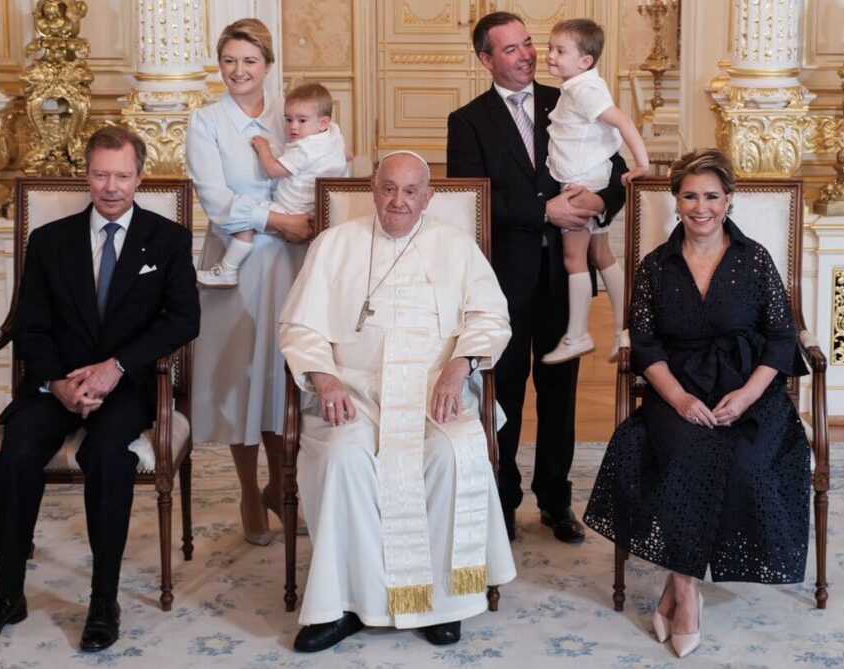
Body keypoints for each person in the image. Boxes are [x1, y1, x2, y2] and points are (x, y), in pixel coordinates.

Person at [0, 126, 200, 651]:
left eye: (121, 175)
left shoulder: (169, 240)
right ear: (85, 176)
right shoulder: (49, 241)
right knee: (16, 452)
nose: (110, 186)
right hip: (56, 384)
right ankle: (7, 594)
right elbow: (30, 324)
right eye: (100, 174)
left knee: (109, 456)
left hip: (125, 387)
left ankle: (103, 599)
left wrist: (115, 367)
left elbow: (183, 321)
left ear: (139, 177)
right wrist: (56, 382)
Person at [279, 152, 516, 652]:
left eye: (411, 191)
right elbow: (300, 325)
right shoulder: (334, 245)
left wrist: (461, 365)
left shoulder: (457, 246)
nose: (398, 201)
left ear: (429, 197)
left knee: (451, 455)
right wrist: (323, 378)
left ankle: (442, 603)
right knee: (344, 457)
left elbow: (492, 317)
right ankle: (341, 604)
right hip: (355, 391)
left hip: (434, 393)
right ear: (373, 188)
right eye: (389, 188)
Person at [583, 148, 811, 659]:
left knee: (749, 463)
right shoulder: (655, 266)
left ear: (729, 200)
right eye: (690, 195)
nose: (700, 206)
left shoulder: (754, 260)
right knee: (685, 456)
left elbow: (780, 336)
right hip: (677, 389)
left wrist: (749, 395)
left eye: (711, 195)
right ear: (676, 200)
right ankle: (687, 591)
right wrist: (681, 399)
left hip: (751, 390)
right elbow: (644, 343)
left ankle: (676, 585)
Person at [446, 11, 627, 543]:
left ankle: (555, 499)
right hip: (502, 278)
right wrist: (543, 212)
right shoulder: (468, 120)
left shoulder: (571, 95)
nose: (526, 55)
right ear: (486, 60)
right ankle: (501, 501)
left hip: (563, 275)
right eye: (510, 49)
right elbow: (474, 201)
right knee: (503, 392)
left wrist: (602, 199)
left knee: (560, 391)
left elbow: (615, 168)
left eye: (528, 44)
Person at [186, 19, 313, 545]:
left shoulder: (294, 115)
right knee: (242, 381)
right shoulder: (206, 122)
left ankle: (283, 487)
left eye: (249, 61)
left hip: (292, 264)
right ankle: (246, 491)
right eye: (229, 61)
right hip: (234, 265)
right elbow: (216, 202)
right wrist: (279, 220)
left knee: (284, 379)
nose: (238, 71)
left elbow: (323, 169)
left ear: (267, 65)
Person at [539, 18, 649, 365]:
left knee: (574, 259)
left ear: (585, 60)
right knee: (602, 254)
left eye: (560, 51)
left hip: (580, 182)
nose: (550, 56)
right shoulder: (580, 84)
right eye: (550, 48)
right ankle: (622, 330)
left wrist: (641, 163)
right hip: (591, 175)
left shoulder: (584, 91)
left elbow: (623, 122)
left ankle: (577, 334)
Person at [198, 82, 348, 287]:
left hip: (290, 210)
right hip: (316, 212)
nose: (293, 127)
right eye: (288, 120)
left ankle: (227, 270)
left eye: (301, 121)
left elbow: (274, 170)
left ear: (323, 122)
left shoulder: (305, 148)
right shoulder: (333, 134)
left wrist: (263, 148)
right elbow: (348, 155)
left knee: (245, 217)